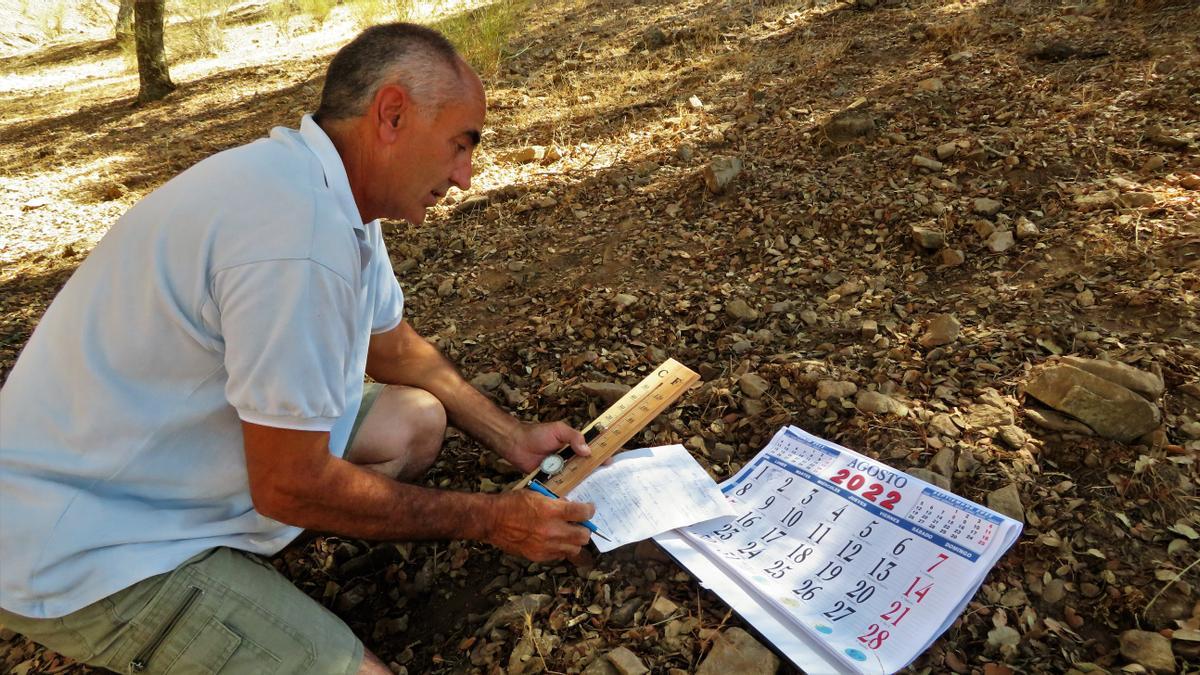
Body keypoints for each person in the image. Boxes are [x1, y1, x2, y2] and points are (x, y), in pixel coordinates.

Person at [0, 23, 595, 674]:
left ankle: (250, 573)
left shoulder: (322, 187)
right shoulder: (295, 236)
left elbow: (390, 343)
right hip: (82, 544)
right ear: (391, 114)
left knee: (417, 422)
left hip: (163, 466)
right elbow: (289, 482)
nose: (464, 175)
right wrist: (489, 519)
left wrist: (511, 438)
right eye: (460, 145)